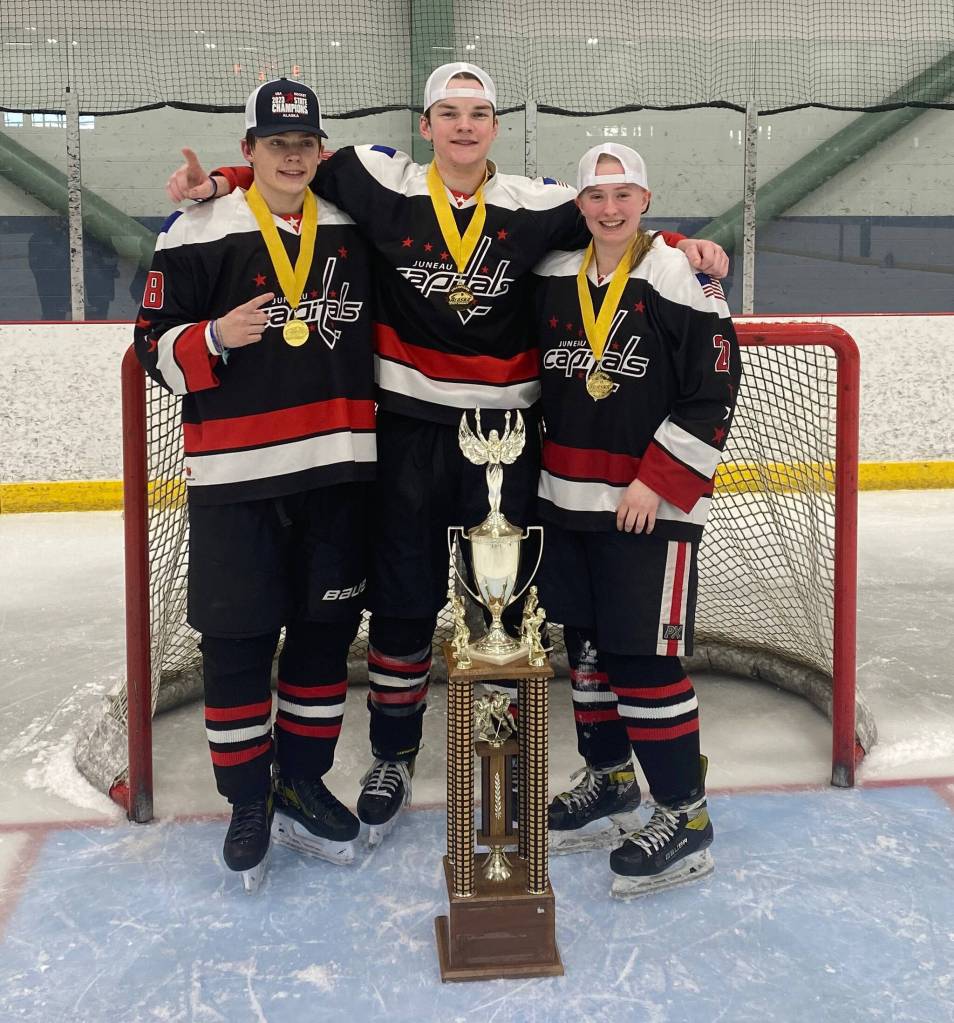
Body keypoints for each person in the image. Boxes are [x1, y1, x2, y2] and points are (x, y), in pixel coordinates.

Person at [166, 63, 730, 848]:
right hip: (403, 437)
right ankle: (393, 755)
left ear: (495, 127)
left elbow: (620, 227)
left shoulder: (538, 205)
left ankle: (497, 753)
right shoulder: (377, 181)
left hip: (505, 445)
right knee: (400, 607)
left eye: (478, 114)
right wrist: (219, 181)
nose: (464, 127)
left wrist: (682, 242)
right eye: (448, 114)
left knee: (497, 611)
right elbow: (282, 167)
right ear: (424, 124)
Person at [136, 79, 376, 891]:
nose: (291, 155)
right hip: (237, 483)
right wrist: (212, 336)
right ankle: (247, 797)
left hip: (337, 474)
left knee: (320, 640)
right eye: (275, 145)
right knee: (236, 645)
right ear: (249, 150)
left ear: (321, 148)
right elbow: (151, 348)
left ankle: (302, 778)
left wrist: (674, 246)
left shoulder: (352, 223)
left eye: (304, 142)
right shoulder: (196, 227)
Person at [533, 143, 741, 897]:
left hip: (650, 510)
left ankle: (685, 815)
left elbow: (713, 391)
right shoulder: (556, 273)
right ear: (579, 203)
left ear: (647, 199)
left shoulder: (681, 274)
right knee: (587, 654)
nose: (610, 209)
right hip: (569, 501)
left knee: (645, 661)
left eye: (624, 195)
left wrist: (657, 481)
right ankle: (613, 779)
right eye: (597, 196)